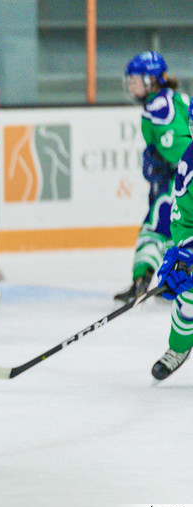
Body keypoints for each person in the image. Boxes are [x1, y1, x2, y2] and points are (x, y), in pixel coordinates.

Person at [115, 51, 190, 304]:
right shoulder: (175, 98)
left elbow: (181, 149)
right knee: (175, 230)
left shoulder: (157, 108)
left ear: (152, 80)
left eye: (135, 80)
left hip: (179, 182)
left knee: (155, 228)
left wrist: (164, 164)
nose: (131, 86)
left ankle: (142, 281)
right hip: (179, 180)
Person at [151, 98, 193, 381]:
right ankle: (179, 346)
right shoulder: (189, 164)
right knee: (189, 293)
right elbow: (183, 219)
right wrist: (185, 254)